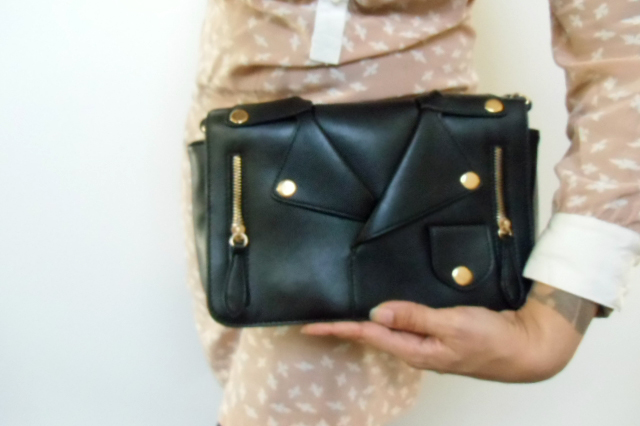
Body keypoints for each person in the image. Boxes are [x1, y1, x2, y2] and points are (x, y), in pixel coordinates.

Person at [181, 0, 640, 425]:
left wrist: (560, 317)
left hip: (409, 170)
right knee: (238, 381)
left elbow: (624, 58)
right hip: (230, 136)